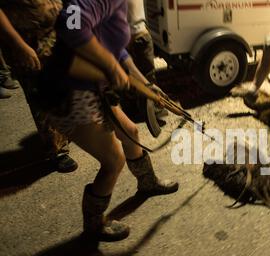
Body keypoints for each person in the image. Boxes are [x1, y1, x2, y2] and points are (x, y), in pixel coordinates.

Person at [49, 0, 179, 242]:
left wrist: (146, 84)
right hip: (72, 93)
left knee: (130, 131)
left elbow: (117, 49)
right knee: (113, 159)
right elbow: (70, 22)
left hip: (95, 88)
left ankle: (147, 182)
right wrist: (110, 67)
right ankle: (94, 224)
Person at [0, 3, 78, 172]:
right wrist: (18, 45)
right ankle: (57, 149)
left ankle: (71, 133)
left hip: (57, 31)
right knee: (40, 95)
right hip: (27, 41)